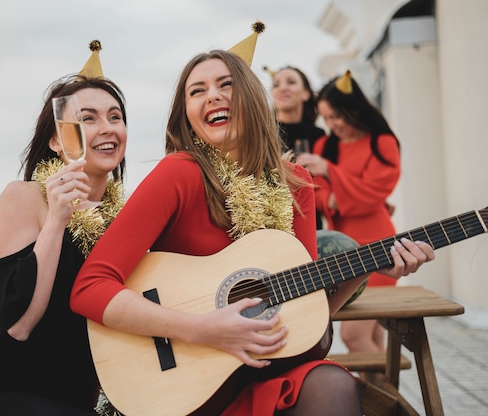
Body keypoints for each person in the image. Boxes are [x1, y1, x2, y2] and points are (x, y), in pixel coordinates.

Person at [71, 25, 435, 416]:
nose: (212, 96)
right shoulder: (178, 174)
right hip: (194, 375)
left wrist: (368, 267)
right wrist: (202, 328)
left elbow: (303, 311)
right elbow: (89, 288)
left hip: (269, 369)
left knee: (333, 383)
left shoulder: (297, 185)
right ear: (188, 115)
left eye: (225, 85)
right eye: (197, 91)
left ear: (251, 98)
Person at [0, 41, 128, 416]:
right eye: (88, 118)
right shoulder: (25, 197)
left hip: (74, 401)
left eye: (115, 116)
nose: (106, 128)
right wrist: (57, 219)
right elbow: (19, 326)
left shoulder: (121, 220)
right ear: (57, 140)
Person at [296, 70, 403, 358]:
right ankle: (388, 395)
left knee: (354, 335)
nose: (333, 124)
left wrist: (331, 172)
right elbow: (315, 194)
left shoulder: (382, 143)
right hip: (342, 249)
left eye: (337, 116)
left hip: (379, 243)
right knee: (372, 336)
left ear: (354, 109)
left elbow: (374, 194)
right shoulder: (323, 146)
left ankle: (380, 400)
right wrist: (339, 196)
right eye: (327, 118)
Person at [265, 65, 326, 230]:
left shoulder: (319, 136)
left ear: (306, 93)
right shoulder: (262, 134)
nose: (283, 88)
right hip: (270, 225)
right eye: (276, 84)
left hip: (311, 224)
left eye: (291, 82)